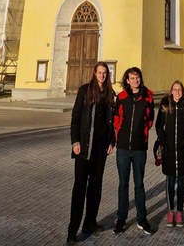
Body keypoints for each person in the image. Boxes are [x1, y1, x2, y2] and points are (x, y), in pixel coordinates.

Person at [67, 61, 116, 244]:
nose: (102, 76)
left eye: (105, 73)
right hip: (84, 148)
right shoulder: (85, 91)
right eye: (99, 72)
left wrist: (112, 141)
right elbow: (76, 117)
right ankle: (72, 231)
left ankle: (90, 223)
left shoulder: (110, 94)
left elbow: (112, 122)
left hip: (100, 150)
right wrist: (75, 141)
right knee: (79, 188)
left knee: (96, 187)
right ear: (94, 73)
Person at [113, 67, 155, 235]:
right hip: (123, 148)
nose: (135, 81)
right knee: (123, 184)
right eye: (132, 78)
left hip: (139, 148)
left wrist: (141, 133)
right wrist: (121, 135)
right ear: (127, 80)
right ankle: (121, 218)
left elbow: (150, 120)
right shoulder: (122, 97)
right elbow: (116, 118)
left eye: (137, 78)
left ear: (140, 79)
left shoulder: (148, 96)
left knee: (139, 185)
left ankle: (142, 219)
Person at [155, 80, 184, 228]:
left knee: (182, 182)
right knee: (170, 181)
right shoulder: (166, 105)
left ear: (182, 91)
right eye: (175, 89)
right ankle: (170, 211)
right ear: (171, 91)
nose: (177, 92)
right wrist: (163, 141)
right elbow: (159, 125)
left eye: (179, 90)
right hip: (169, 150)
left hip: (183, 150)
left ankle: (179, 211)